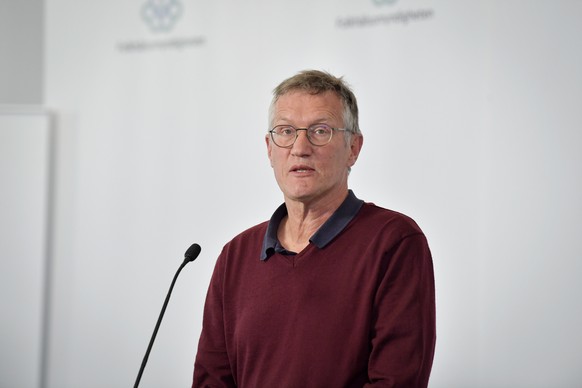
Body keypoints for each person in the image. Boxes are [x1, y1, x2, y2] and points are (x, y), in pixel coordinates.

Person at [192, 70, 436, 387]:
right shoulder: (235, 255)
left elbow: (396, 381)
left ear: (353, 148)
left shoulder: (394, 241)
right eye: (285, 131)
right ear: (269, 148)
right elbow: (212, 380)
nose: (300, 147)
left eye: (320, 131)